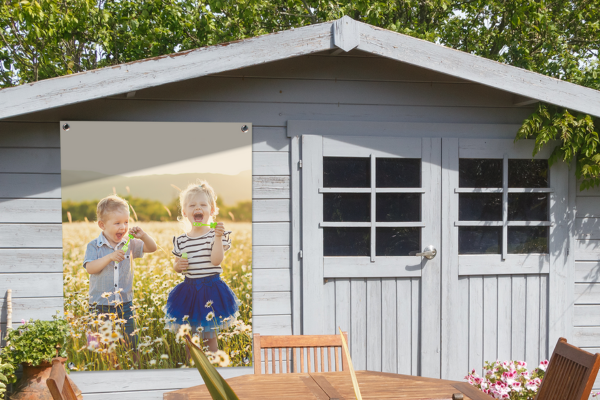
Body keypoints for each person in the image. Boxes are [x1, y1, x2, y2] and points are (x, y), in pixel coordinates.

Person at [164, 181, 240, 352]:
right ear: (185, 212)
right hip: (189, 291)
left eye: (203, 205)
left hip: (211, 289)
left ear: (211, 210)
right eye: (192, 205)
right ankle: (192, 367)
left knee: (209, 336)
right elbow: (178, 266)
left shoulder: (214, 235)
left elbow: (216, 261)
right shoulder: (182, 241)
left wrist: (219, 237)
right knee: (189, 338)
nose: (197, 208)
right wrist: (178, 265)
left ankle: (212, 366)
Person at [83, 195, 158, 350]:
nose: (123, 227)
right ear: (102, 225)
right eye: (117, 223)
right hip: (100, 306)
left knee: (132, 343)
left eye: (126, 222)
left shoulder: (129, 243)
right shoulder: (94, 246)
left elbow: (152, 248)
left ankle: (135, 366)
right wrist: (109, 257)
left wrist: (143, 235)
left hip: (125, 304)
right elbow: (90, 268)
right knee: (99, 345)